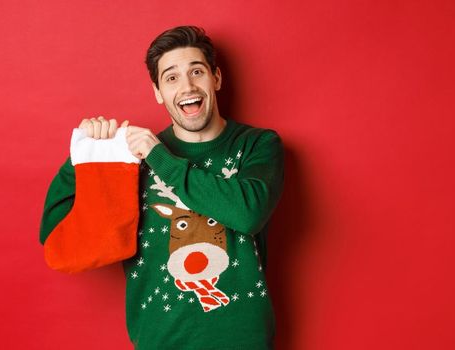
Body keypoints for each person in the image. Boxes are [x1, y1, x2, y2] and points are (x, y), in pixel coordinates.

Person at [39, 25, 284, 350]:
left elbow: (248, 212)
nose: (187, 86)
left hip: (244, 342)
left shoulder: (257, 145)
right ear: (157, 92)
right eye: (171, 77)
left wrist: (159, 157)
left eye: (197, 71)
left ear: (216, 79)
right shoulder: (131, 162)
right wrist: (81, 159)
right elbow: (55, 237)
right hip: (161, 342)